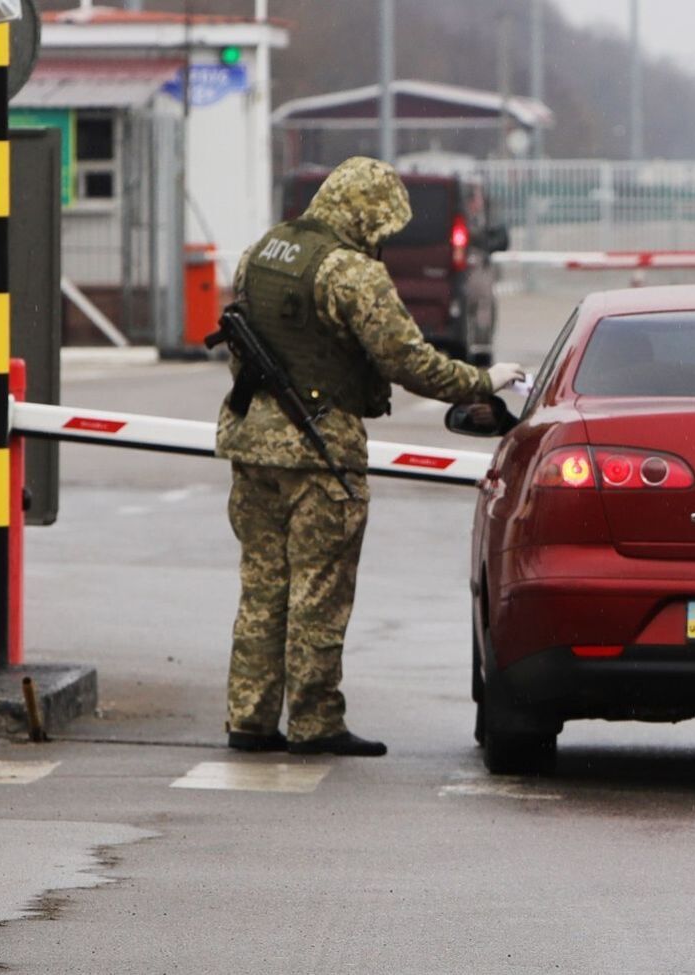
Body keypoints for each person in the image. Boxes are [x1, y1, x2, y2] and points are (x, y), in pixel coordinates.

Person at [216, 157, 525, 757]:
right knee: (318, 593)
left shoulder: (260, 253)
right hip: (320, 450)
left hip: (252, 443)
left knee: (262, 587)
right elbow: (408, 361)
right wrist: (481, 381)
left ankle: (249, 719)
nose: (384, 240)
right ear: (367, 216)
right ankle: (315, 722)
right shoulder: (351, 273)